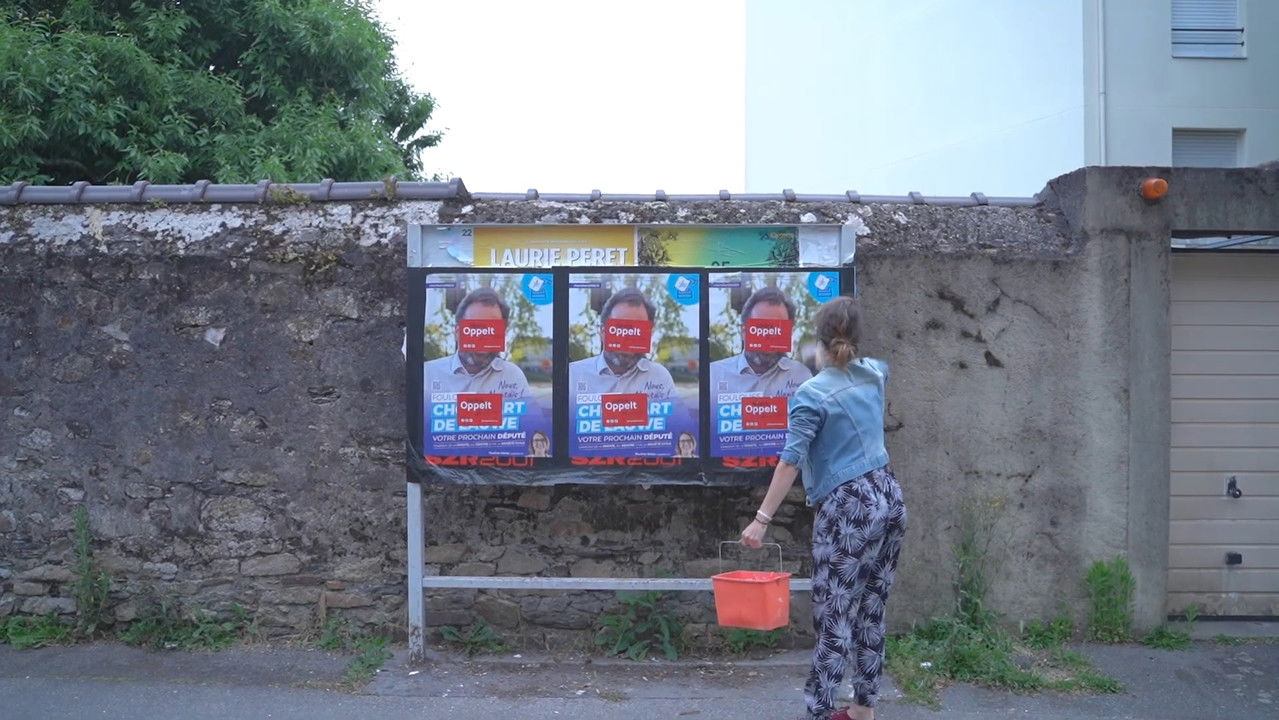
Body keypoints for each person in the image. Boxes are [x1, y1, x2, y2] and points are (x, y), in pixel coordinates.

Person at [739, 296, 907, 720]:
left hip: (849, 509)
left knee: (834, 616)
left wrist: (761, 520)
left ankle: (820, 711)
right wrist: (830, 356)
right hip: (888, 496)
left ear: (818, 342)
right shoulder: (874, 375)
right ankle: (862, 711)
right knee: (871, 609)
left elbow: (790, 461)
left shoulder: (811, 395)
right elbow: (871, 364)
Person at [568, 287, 675, 400]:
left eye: (638, 331)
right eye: (621, 329)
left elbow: (681, 418)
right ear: (603, 331)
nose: (628, 340)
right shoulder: (572, 376)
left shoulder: (660, 377)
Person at [423, 288, 529, 402]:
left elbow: (531, 419)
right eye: (475, 328)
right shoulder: (427, 374)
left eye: (493, 330)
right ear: (458, 332)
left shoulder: (513, 376)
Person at [709, 285, 812, 397]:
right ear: (744, 331)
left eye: (778, 330)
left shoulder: (802, 376)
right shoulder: (713, 375)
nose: (768, 337)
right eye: (761, 328)